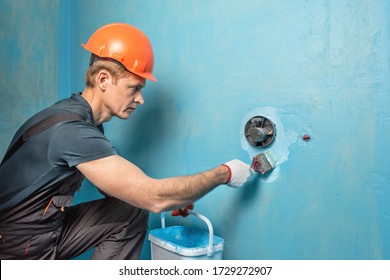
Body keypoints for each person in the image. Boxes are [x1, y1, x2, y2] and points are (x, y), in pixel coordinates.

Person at [0, 23, 256, 260]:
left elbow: (118, 189)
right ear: (103, 80)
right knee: (142, 203)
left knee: (130, 211)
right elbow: (153, 197)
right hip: (18, 246)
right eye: (134, 88)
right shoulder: (72, 131)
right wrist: (224, 173)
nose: (140, 99)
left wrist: (177, 198)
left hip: (48, 229)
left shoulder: (85, 120)